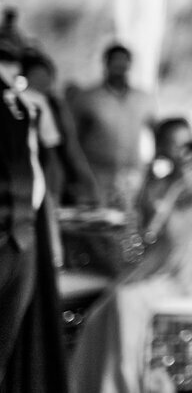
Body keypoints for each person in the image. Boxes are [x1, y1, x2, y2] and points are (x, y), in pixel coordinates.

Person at [70, 117, 192, 393]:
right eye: (175, 145)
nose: (184, 151)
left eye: (188, 143)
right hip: (161, 269)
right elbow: (148, 232)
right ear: (164, 149)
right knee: (101, 312)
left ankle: (124, 386)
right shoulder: (156, 186)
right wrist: (174, 186)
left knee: (125, 300)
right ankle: (108, 383)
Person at [0, 40, 68, 393]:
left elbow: (42, 170)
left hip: (25, 229)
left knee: (10, 337)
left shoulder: (26, 107)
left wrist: (50, 234)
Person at [70, 43, 157, 209]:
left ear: (129, 65)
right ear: (106, 63)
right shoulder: (88, 98)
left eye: (123, 62)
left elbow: (156, 132)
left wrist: (154, 166)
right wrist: (78, 173)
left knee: (132, 224)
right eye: (115, 61)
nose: (119, 66)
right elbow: (73, 138)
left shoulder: (144, 99)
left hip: (133, 175)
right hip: (97, 175)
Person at [21, 48, 99, 206]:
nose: (43, 80)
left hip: (53, 175)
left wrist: (87, 182)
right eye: (37, 75)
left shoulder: (55, 105)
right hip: (34, 175)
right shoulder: (25, 101)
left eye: (46, 75)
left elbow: (70, 146)